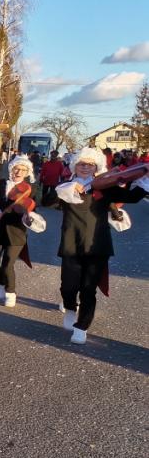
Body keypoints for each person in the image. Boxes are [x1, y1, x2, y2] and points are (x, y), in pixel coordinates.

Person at [55, 147, 148, 344]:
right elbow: (48, 200)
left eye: (90, 164)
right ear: (75, 166)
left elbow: (132, 197)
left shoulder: (104, 187)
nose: (86, 167)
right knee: (68, 286)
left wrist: (144, 175)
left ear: (97, 167)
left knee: (89, 288)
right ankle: (71, 307)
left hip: (98, 244)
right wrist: (72, 188)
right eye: (81, 163)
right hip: (71, 242)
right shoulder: (66, 187)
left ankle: (82, 327)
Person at [0, 155, 40, 307]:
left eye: (23, 170)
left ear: (27, 172)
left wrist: (28, 213)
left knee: (8, 263)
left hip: (16, 231)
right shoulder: (0, 183)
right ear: (11, 168)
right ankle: (1, 283)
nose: (19, 172)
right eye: (17, 168)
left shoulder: (31, 188)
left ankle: (11, 292)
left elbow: (33, 208)